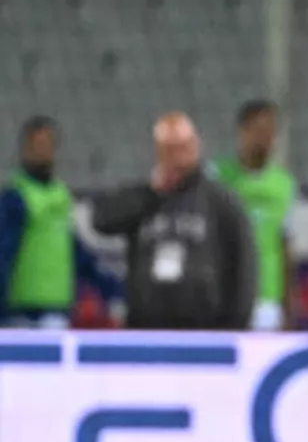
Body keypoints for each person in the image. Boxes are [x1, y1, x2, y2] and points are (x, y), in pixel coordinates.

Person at [92, 112, 257, 330]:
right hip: (147, 326)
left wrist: (234, 328)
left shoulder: (220, 202)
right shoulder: (142, 199)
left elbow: (244, 264)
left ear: (196, 146)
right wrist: (150, 193)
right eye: (170, 149)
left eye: (183, 147)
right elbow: (102, 220)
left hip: (205, 328)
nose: (178, 157)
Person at [0, 116, 120, 327]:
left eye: (47, 144)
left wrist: (109, 289)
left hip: (56, 309)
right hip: (20, 311)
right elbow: (4, 252)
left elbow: (75, 252)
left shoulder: (61, 195)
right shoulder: (16, 197)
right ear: (26, 149)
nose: (43, 151)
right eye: (37, 145)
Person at [209, 99, 297, 331]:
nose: (266, 139)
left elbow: (285, 245)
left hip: (266, 299)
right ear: (243, 132)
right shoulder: (217, 177)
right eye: (259, 131)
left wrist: (288, 306)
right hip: (225, 297)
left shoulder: (284, 185)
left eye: (270, 132)